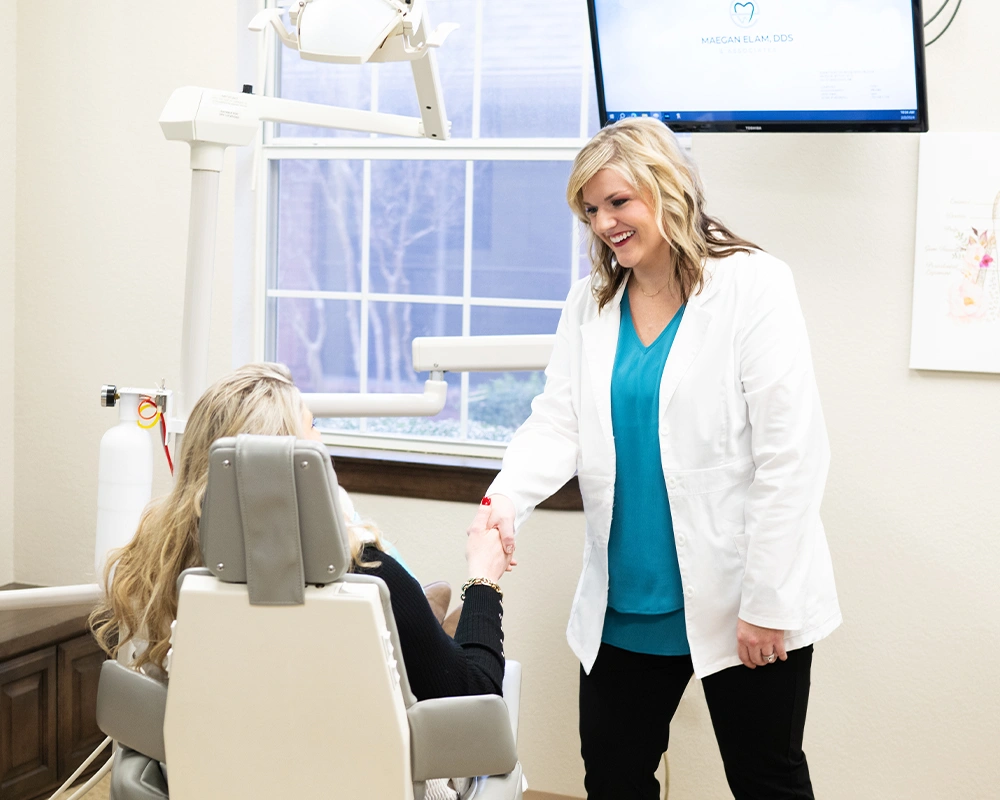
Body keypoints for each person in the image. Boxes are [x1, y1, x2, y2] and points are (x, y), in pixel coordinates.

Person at [467, 117, 841, 799]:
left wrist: (766, 598)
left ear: (668, 189)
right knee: (613, 779)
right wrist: (502, 502)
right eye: (590, 209)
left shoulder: (752, 286)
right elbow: (557, 422)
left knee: (767, 779)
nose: (605, 223)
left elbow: (791, 453)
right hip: (625, 602)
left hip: (740, 594)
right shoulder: (592, 302)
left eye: (618, 202)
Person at [91, 362, 513, 706]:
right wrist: (484, 577)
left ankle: (431, 621)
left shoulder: (165, 560)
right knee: (442, 633)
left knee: (422, 622)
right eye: (312, 427)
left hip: (229, 774)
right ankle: (435, 621)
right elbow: (475, 694)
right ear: (289, 455)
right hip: (364, 774)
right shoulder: (367, 573)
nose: (321, 440)